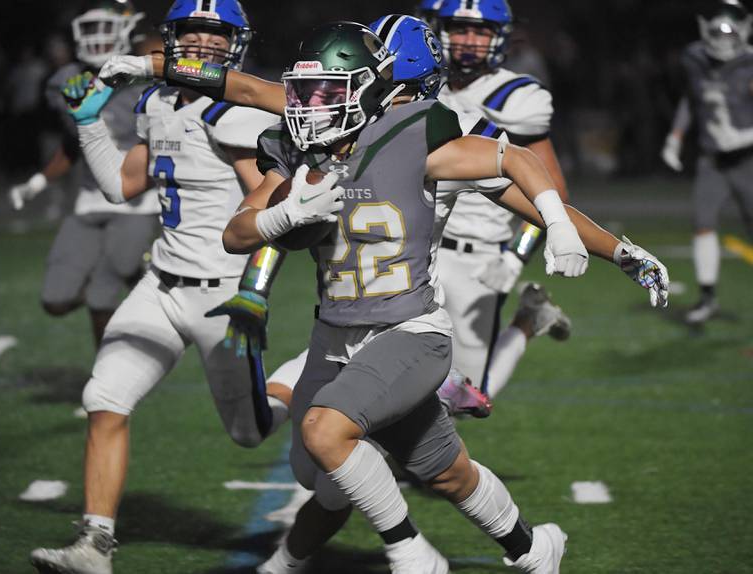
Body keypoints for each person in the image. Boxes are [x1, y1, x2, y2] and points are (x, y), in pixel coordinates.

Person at [101, 19, 668, 573]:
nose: (305, 103)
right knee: (430, 472)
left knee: (326, 434)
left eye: (326, 89)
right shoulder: (304, 137)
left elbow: (519, 164)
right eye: (305, 89)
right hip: (336, 330)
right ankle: (530, 548)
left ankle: (409, 550)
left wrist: (613, 249)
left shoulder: (423, 132)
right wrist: (284, 215)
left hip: (407, 325)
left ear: (384, 85)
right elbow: (237, 218)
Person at [29, 2, 289, 573]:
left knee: (249, 432)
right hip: (162, 283)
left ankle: (304, 375)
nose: (201, 41)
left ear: (236, 44)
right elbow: (122, 184)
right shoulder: (155, 101)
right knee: (104, 398)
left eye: (215, 33)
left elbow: (275, 202)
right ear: (170, 38)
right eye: (191, 30)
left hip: (222, 292)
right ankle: (94, 545)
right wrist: (89, 122)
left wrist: (256, 288)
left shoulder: (235, 112)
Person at [433, 0, 574, 396]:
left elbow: (554, 196)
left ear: (501, 38)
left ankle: (529, 320)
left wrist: (514, 256)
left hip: (478, 255)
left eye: (481, 31)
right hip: (418, 247)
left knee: (470, 397)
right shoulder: (421, 84)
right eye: (460, 28)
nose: (469, 40)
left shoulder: (518, 96)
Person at [8, 0, 159, 349]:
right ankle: (135, 272)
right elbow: (71, 144)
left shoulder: (147, 75)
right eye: (90, 30)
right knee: (55, 300)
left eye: (106, 29)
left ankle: (106, 380)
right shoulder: (67, 80)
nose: (97, 39)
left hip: (136, 201)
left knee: (100, 297)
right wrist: (38, 182)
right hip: (90, 201)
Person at [660, 0, 753, 324]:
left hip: (748, 161)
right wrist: (676, 135)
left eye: (730, 30)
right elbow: (692, 98)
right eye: (718, 30)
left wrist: (744, 137)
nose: (724, 38)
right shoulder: (695, 57)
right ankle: (707, 298)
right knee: (703, 223)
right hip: (712, 160)